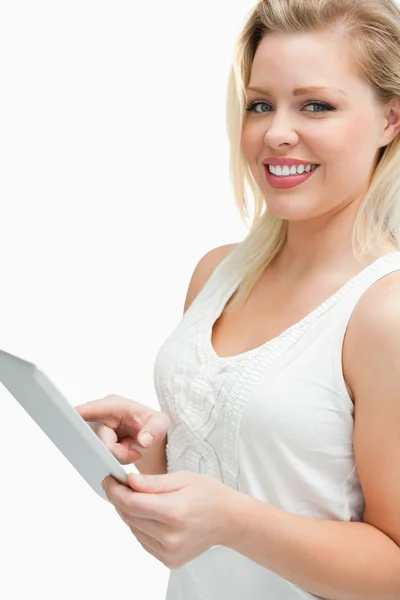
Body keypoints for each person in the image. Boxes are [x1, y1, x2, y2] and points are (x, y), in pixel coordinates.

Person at [75, 0, 400, 598]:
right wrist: (150, 449)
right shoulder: (218, 272)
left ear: (390, 120)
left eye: (316, 105)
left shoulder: (385, 311)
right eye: (259, 104)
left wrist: (233, 521)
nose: (275, 132)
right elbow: (244, 469)